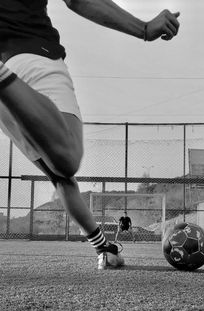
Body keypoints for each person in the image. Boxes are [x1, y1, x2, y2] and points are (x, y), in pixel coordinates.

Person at [0, 0, 180, 269]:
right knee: (68, 158)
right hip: (34, 57)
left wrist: (104, 245)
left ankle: (102, 248)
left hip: (10, 92)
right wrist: (143, 28)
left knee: (60, 176)